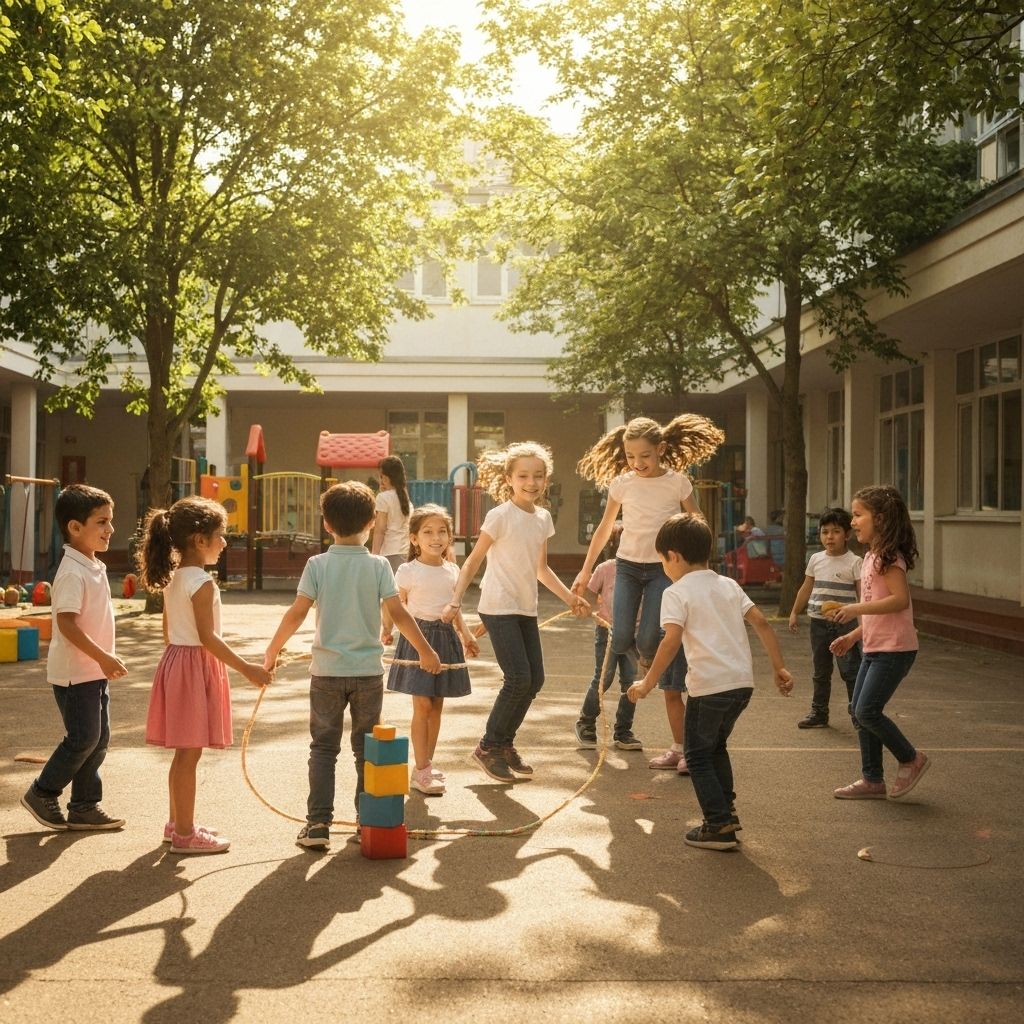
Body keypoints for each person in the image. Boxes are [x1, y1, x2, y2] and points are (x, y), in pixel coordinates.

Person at [264, 481, 440, 850]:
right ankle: (367, 822)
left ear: (326, 524)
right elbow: (398, 613)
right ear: (371, 524)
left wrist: (272, 651)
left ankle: (317, 825)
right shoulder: (377, 566)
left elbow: (297, 612)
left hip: (326, 672)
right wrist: (426, 650)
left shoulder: (317, 564)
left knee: (323, 748)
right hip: (367, 674)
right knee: (367, 750)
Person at [628, 513, 793, 851]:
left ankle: (718, 826)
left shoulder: (676, 593)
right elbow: (761, 622)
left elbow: (670, 641)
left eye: (663, 561)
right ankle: (726, 811)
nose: (664, 568)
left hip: (709, 687)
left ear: (673, 556)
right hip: (741, 685)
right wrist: (779, 667)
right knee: (715, 747)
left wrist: (647, 681)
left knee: (698, 755)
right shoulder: (728, 585)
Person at [573, 414, 725, 776]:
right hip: (626, 564)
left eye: (645, 456)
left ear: (660, 450)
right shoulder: (622, 484)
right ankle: (644, 665)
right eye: (630, 456)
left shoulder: (677, 483)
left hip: (661, 568)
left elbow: (697, 521)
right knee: (621, 635)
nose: (638, 463)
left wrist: (702, 565)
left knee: (646, 639)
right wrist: (584, 568)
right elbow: (604, 528)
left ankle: (647, 664)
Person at [441, 441, 590, 784]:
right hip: (498, 606)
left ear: (546, 480)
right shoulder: (500, 515)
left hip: (526, 608)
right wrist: (455, 600)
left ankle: (504, 744)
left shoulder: (542, 519)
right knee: (519, 678)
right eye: (523, 475)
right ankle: (488, 746)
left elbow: (542, 570)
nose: (531, 482)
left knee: (534, 680)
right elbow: (474, 560)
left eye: (538, 476)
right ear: (509, 478)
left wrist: (571, 598)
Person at [139, 497, 271, 855]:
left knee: (183, 754)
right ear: (199, 540)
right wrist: (248, 669)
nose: (224, 543)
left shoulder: (175, 578)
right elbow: (208, 638)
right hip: (192, 667)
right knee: (189, 755)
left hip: (177, 663)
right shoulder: (201, 583)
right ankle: (184, 834)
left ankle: (177, 824)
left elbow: (169, 633)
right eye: (220, 535)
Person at [21, 484, 128, 832]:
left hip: (93, 672)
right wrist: (103, 657)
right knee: (82, 739)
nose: (110, 529)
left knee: (98, 739)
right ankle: (42, 791)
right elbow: (66, 623)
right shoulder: (71, 571)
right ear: (75, 527)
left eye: (110, 521)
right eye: (102, 522)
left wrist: (103, 660)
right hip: (75, 674)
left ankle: (84, 806)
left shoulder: (92, 565)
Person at [829, 485, 929, 800]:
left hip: (895, 649)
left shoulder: (889, 558)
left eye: (858, 515)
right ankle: (872, 780)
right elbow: (877, 608)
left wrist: (853, 610)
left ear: (881, 519)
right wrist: (853, 635)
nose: (853, 521)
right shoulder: (871, 556)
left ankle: (911, 758)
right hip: (874, 647)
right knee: (859, 713)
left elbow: (899, 601)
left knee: (867, 711)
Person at [382, 504, 479, 796]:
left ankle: (426, 765)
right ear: (414, 539)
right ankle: (422, 769)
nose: (436, 537)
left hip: (446, 639)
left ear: (450, 537)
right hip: (417, 639)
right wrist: (385, 629)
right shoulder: (407, 570)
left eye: (442, 532)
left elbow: (455, 606)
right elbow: (394, 605)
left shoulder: (453, 570)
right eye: (428, 532)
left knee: (437, 706)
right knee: (422, 705)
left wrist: (466, 635)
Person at [788, 507, 863, 729]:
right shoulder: (816, 559)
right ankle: (819, 713)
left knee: (851, 671)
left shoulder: (854, 562)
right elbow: (806, 586)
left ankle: (858, 714)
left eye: (836, 531)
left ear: (847, 535)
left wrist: (860, 620)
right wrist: (794, 612)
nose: (829, 537)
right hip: (818, 623)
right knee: (821, 671)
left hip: (845, 625)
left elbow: (862, 595)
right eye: (825, 532)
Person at [573, 524, 643, 751]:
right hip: (608, 631)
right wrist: (593, 612)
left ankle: (623, 731)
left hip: (635, 634)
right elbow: (590, 595)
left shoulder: (646, 571)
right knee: (604, 677)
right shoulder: (605, 568)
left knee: (631, 681)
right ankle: (586, 723)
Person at [371, 455, 412, 572]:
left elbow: (380, 530)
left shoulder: (383, 498)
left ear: (385, 477)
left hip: (390, 553)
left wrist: (374, 555)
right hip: (406, 552)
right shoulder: (406, 500)